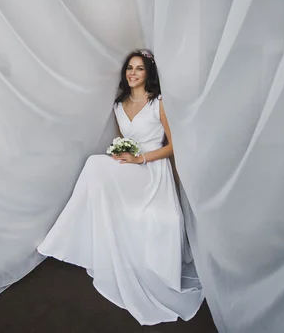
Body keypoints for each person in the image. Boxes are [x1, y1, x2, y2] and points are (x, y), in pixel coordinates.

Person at [37, 49, 203, 325]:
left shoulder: (158, 102)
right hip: (130, 168)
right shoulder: (118, 105)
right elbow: (124, 140)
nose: (133, 73)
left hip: (152, 169)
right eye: (129, 68)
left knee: (93, 164)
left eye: (139, 69)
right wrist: (123, 153)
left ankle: (64, 237)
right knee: (95, 165)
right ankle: (77, 240)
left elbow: (173, 146)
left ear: (148, 73)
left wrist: (141, 158)